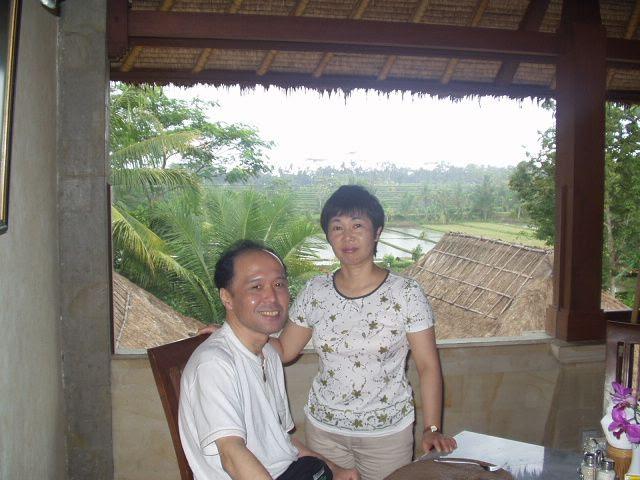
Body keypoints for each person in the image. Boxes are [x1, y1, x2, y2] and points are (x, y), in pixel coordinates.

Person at [179, 240, 360, 480]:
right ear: (227, 297)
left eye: (278, 284)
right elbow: (231, 455)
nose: (272, 297)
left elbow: (282, 441)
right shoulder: (214, 365)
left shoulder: (269, 354)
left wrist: (336, 469)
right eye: (256, 286)